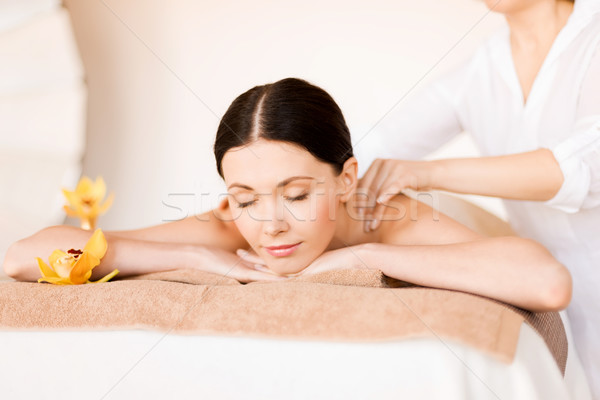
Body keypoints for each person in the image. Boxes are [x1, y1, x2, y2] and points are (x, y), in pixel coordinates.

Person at [3, 78, 571, 313]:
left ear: (346, 179)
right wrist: (192, 255)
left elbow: (545, 282)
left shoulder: (385, 219)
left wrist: (361, 256)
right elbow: (24, 255)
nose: (269, 224)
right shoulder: (231, 226)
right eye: (246, 197)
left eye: (296, 194)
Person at [354, 0, 599, 395]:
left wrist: (428, 172)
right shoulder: (483, 68)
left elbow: (581, 167)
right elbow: (367, 147)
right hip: (556, 306)